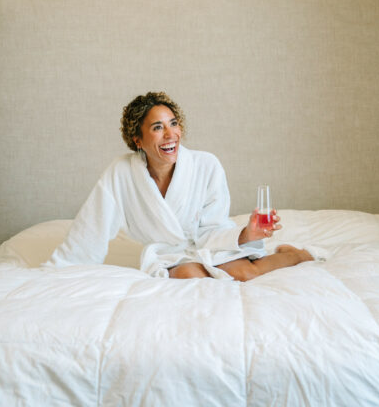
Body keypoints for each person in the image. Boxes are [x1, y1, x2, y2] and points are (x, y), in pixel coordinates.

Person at [45, 91, 315, 281]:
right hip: (169, 254)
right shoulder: (122, 172)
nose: (170, 134)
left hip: (209, 243)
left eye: (173, 124)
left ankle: (295, 256)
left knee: (246, 273)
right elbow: (93, 225)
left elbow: (213, 228)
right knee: (189, 275)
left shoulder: (207, 166)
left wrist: (246, 233)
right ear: (137, 139)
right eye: (158, 127)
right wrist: (62, 269)